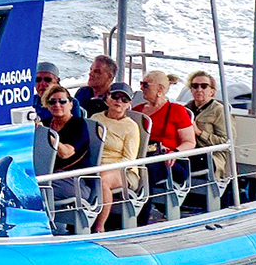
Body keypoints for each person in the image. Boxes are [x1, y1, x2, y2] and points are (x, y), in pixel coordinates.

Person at [134, 70, 196, 224]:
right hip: (142, 157)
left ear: (160, 89)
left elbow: (190, 142)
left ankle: (140, 220)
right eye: (141, 84)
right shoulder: (137, 111)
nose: (141, 88)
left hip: (170, 161)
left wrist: (174, 152)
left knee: (145, 172)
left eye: (146, 85)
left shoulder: (177, 111)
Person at [89, 81, 146, 233]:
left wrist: (103, 168)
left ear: (129, 104)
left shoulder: (131, 126)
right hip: (94, 166)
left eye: (124, 99)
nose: (119, 101)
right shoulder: (95, 118)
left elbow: (129, 159)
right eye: (115, 97)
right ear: (107, 98)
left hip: (124, 171)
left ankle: (99, 227)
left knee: (102, 179)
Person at [40, 84, 92, 230]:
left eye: (62, 101)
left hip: (76, 181)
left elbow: (66, 153)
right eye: (52, 102)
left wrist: (47, 135)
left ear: (70, 104)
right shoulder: (45, 124)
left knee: (36, 189)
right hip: (51, 177)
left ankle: (49, 229)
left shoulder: (78, 125)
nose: (57, 105)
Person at [184, 70, 232, 193]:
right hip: (189, 151)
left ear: (212, 91)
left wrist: (200, 132)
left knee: (177, 165)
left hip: (211, 156)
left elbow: (227, 142)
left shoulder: (219, 111)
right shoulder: (186, 109)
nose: (199, 89)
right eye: (195, 86)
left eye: (204, 86)